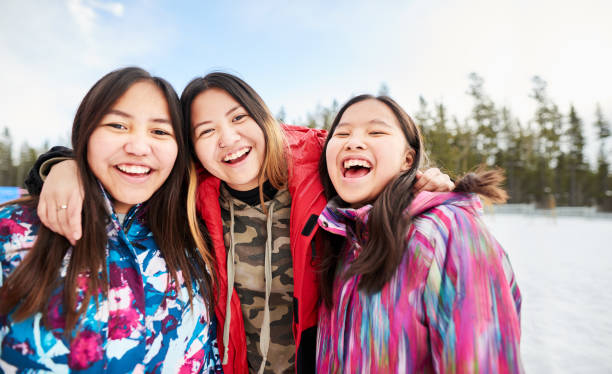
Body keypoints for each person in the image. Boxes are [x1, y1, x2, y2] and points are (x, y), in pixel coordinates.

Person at [26, 73, 455, 374]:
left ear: (262, 118)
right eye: (205, 131)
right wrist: (62, 165)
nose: (228, 140)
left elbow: (372, 157)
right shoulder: (193, 193)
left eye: (237, 119)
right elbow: (126, 166)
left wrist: (419, 181)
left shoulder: (320, 167)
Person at [0, 67, 221, 373]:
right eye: (118, 125)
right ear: (86, 132)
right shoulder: (13, 231)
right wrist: (63, 163)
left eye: (159, 132)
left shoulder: (195, 241)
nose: (139, 147)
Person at [315, 94, 523, 373]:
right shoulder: (341, 239)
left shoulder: (447, 231)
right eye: (341, 134)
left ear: (407, 159)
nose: (353, 141)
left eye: (376, 131)